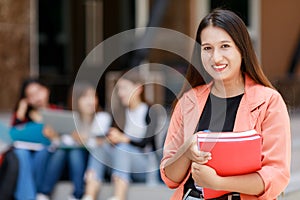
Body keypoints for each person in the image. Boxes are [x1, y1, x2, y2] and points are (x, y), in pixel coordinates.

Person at [160, 9, 291, 200]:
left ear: (242, 49)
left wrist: (218, 183)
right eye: (207, 48)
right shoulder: (188, 102)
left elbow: (276, 176)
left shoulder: (269, 102)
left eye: (225, 46)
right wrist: (187, 151)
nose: (216, 58)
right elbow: (169, 177)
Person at [82, 70, 159, 200]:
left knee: (123, 147)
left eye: (124, 88)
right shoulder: (119, 112)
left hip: (144, 166)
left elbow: (147, 143)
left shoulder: (151, 111)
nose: (120, 93)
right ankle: (89, 194)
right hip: (121, 162)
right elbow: (112, 139)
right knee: (99, 148)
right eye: (118, 89)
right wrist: (109, 139)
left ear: (138, 88)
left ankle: (119, 196)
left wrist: (124, 139)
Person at [38, 82, 108, 200]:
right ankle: (44, 194)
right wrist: (55, 137)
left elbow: (100, 144)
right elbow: (64, 142)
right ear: (76, 100)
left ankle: (77, 193)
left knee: (74, 151)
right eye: (85, 97)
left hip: (92, 163)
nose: (91, 101)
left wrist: (83, 140)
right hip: (69, 164)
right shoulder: (71, 119)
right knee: (62, 150)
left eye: (93, 96)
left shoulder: (102, 118)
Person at [11, 77, 60, 200]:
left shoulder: (57, 112)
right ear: (27, 100)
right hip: (26, 155)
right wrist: (21, 111)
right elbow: (12, 135)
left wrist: (54, 136)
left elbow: (66, 138)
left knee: (44, 151)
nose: (37, 97)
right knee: (20, 152)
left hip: (47, 157)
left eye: (38, 92)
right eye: (31, 95)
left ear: (46, 90)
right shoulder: (24, 116)